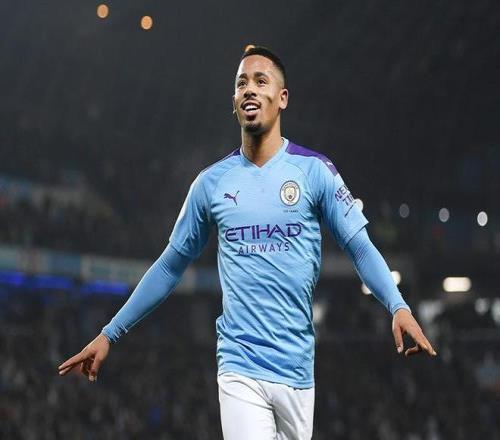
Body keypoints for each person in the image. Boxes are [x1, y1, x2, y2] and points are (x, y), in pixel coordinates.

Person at [58, 46, 437, 440]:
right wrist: (110, 333)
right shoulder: (210, 183)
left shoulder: (315, 172)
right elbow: (170, 265)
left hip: (297, 371)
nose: (250, 89)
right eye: (241, 83)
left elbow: (360, 247)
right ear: (235, 101)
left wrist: (398, 306)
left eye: (260, 80)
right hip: (239, 366)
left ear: (282, 98)